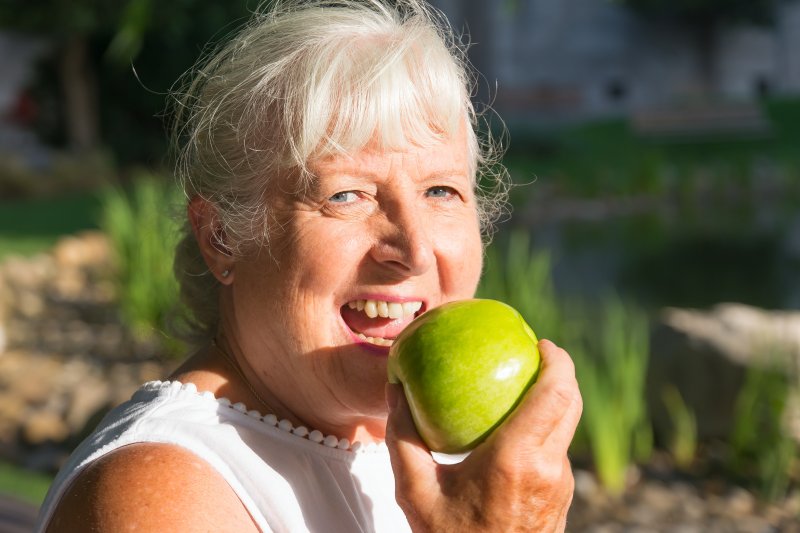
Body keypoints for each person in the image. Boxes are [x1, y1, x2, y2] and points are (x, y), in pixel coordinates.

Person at [36, 1, 582, 531]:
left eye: (440, 190)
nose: (413, 249)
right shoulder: (160, 493)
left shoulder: (447, 463)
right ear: (222, 237)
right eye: (347, 196)